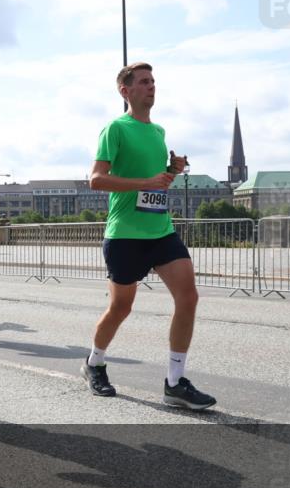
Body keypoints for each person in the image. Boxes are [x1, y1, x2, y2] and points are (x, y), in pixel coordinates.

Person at [85, 61, 216, 410]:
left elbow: (157, 184)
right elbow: (96, 179)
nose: (151, 86)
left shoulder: (158, 133)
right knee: (120, 308)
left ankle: (174, 382)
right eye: (144, 82)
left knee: (188, 296)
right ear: (125, 90)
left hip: (160, 230)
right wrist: (146, 182)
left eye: (153, 81)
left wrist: (171, 171)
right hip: (126, 233)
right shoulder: (115, 128)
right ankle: (94, 362)